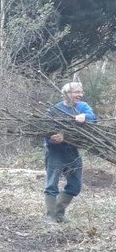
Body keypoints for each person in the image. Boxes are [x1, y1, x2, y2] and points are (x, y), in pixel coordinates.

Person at [43, 81, 96, 222]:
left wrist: (85, 117)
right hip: (55, 151)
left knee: (75, 185)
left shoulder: (83, 107)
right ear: (66, 94)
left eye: (81, 92)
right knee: (51, 184)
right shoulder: (54, 110)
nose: (80, 94)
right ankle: (51, 217)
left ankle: (58, 213)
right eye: (77, 92)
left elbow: (93, 118)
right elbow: (44, 130)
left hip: (72, 151)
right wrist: (52, 140)